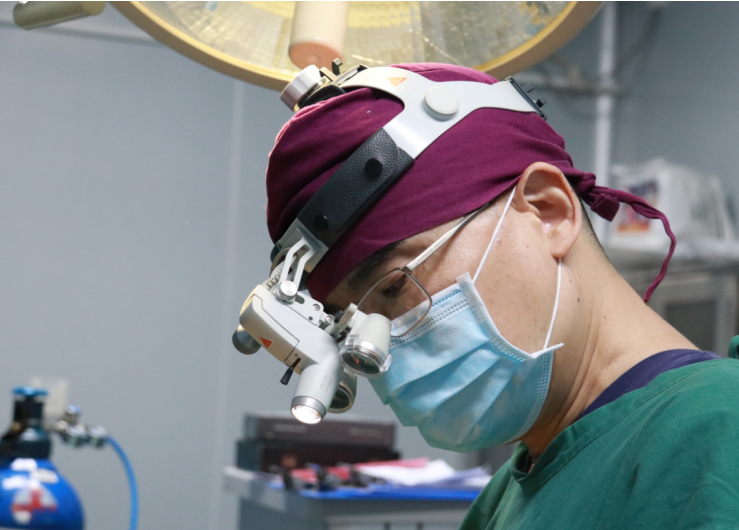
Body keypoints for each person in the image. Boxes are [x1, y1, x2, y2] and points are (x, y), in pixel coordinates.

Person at [264, 63, 739, 529]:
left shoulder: (717, 434)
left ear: (548, 212)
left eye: (393, 287)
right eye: (350, 326)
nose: (383, 352)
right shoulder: (507, 495)